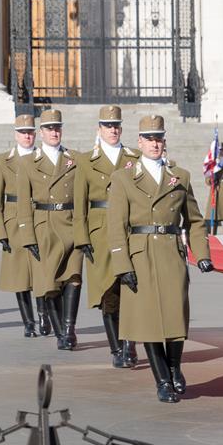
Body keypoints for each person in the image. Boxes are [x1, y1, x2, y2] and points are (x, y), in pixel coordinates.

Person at [108, 115, 213, 403]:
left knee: (175, 316)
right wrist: (121, 264)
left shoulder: (180, 177)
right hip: (139, 254)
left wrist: (201, 254)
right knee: (149, 322)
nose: (155, 143)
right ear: (139, 142)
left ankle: (175, 366)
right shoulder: (123, 178)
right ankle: (163, 380)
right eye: (149, 138)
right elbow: (116, 226)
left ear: (164, 141)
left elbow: (194, 220)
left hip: (170, 252)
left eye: (159, 138)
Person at [73, 106, 140, 368]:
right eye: (107, 125)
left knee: (131, 289)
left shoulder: (133, 158)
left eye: (116, 125)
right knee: (108, 292)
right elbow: (80, 204)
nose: (112, 130)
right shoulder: (85, 160)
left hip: (129, 230)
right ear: (99, 129)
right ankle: (116, 348)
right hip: (100, 231)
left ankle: (130, 345)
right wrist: (82, 238)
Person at [17, 109, 84, 351]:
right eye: (49, 128)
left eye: (57, 128)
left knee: (74, 279)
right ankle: (60, 332)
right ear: (41, 133)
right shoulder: (27, 163)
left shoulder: (75, 159)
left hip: (70, 221)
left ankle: (68, 330)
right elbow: (23, 203)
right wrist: (27, 236)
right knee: (50, 283)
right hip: (44, 225)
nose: (54, 132)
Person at [0, 114, 40, 338]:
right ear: (15, 135)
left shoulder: (43, 158)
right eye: (23, 132)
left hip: (38, 216)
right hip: (13, 222)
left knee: (42, 271)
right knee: (20, 275)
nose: (27, 136)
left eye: (30, 132)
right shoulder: (3, 160)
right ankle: (28, 321)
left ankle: (44, 316)